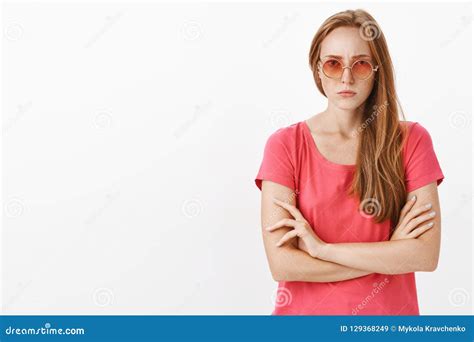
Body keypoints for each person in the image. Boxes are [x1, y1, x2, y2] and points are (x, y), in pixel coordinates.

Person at [254, 9, 444, 315]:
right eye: (333, 64)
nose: (346, 77)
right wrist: (390, 253)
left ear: (377, 69)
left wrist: (321, 250)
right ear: (317, 70)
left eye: (361, 64)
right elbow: (283, 264)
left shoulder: (412, 141)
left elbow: (424, 255)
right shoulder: (285, 146)